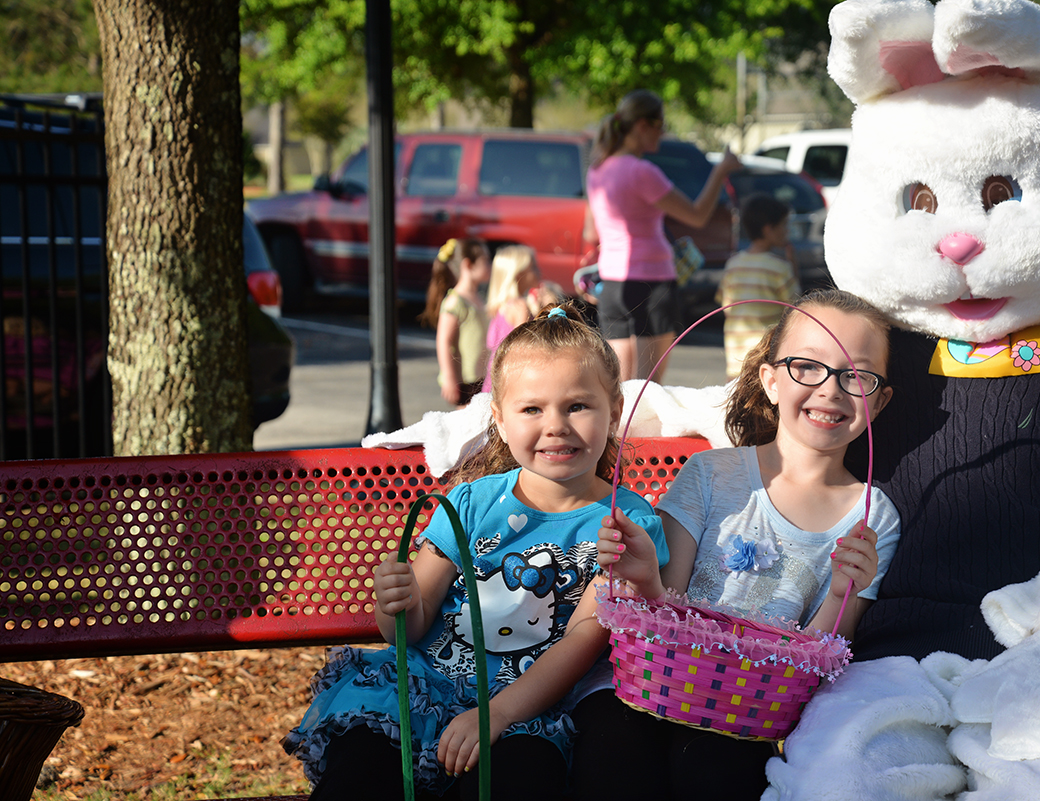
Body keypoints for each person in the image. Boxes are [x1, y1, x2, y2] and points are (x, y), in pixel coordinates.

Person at [283, 303, 669, 801]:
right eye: (532, 409)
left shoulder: (625, 523)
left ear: (614, 411)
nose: (555, 425)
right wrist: (395, 603)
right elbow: (410, 627)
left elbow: (582, 639)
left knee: (518, 778)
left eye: (577, 406)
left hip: (527, 710)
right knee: (360, 768)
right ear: (500, 421)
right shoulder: (470, 503)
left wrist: (498, 714)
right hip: (422, 688)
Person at [571, 288, 901, 801]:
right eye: (807, 367)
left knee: (716, 768)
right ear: (771, 381)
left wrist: (841, 593)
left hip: (749, 709)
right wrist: (644, 576)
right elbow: (662, 608)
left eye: (855, 376)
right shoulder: (711, 474)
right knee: (616, 750)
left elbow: (822, 657)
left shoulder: (871, 516)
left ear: (878, 401)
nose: (830, 390)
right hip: (649, 681)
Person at [586, 88, 740, 384]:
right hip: (651, 282)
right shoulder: (642, 172)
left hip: (612, 284)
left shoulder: (597, 169)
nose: (663, 133)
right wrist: (721, 171)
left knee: (620, 388)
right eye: (660, 126)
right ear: (642, 125)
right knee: (648, 388)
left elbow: (590, 231)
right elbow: (697, 215)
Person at [716, 192, 799, 380]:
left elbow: (726, 306)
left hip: (735, 355)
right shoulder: (779, 267)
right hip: (767, 355)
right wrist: (794, 266)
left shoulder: (733, 264)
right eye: (784, 225)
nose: (787, 231)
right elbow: (796, 308)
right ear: (769, 229)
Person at [419, 237, 491, 408]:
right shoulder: (455, 302)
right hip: (465, 378)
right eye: (485, 260)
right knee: (466, 420)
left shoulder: (478, 298)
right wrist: (449, 377)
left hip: (481, 376)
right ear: (468, 265)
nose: (490, 265)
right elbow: (444, 341)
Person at [481, 245, 561, 394]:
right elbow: (523, 345)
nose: (539, 271)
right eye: (533, 267)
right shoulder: (520, 306)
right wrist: (550, 308)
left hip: (494, 381)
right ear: (518, 274)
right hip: (509, 384)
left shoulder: (502, 306)